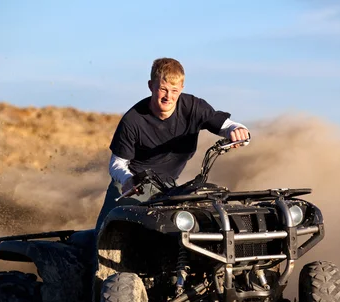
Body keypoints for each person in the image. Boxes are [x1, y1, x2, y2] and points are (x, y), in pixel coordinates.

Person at [95, 57, 250, 231]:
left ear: (182, 88)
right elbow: (117, 163)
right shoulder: (133, 120)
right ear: (151, 85)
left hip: (167, 188)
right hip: (133, 185)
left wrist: (237, 130)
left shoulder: (193, 107)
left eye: (175, 90)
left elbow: (226, 125)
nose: (169, 96)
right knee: (106, 237)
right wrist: (127, 180)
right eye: (163, 89)